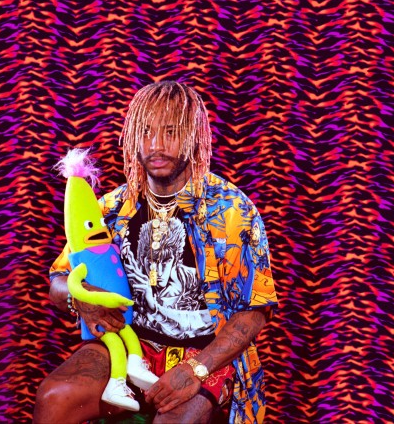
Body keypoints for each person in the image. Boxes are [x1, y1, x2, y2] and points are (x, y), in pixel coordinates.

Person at [34, 81, 278, 423]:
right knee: (54, 396)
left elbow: (255, 311)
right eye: (146, 132)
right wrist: (80, 299)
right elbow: (59, 280)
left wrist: (194, 370)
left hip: (205, 356)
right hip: (128, 346)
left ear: (193, 137)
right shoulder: (112, 207)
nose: (156, 145)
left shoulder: (231, 210)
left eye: (170, 132)